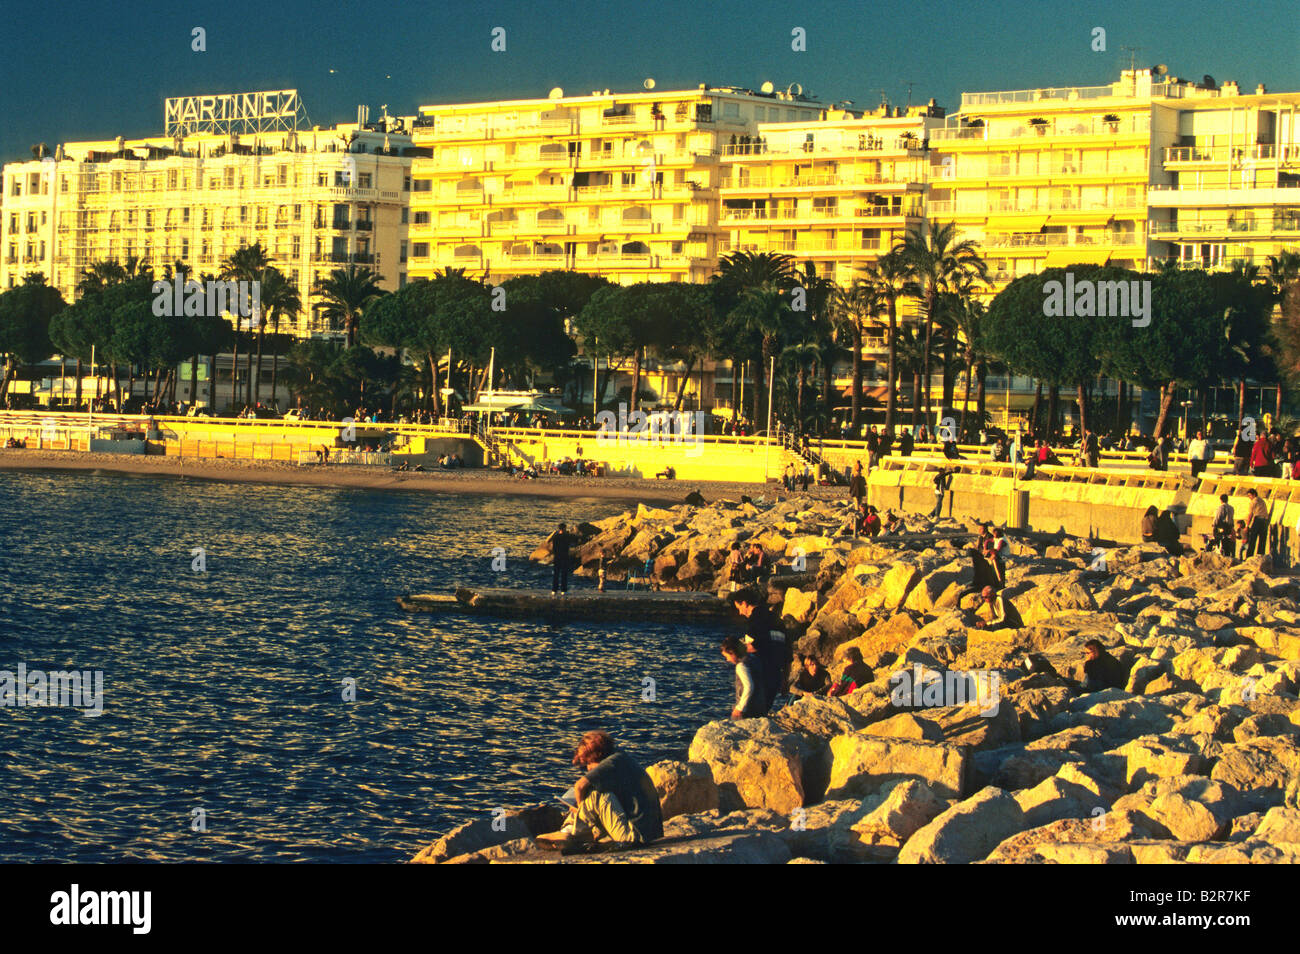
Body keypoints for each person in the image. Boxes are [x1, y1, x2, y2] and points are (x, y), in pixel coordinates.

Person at [545, 731, 662, 849]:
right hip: (645, 834)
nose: (588, 768)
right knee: (597, 793)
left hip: (634, 837)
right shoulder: (621, 758)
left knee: (597, 795)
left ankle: (570, 832)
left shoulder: (612, 762)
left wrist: (579, 809)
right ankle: (572, 831)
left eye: (589, 763)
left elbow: (579, 786)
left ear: (597, 756)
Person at [730, 588, 787, 709]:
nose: (740, 613)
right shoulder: (776, 618)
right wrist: (785, 679)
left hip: (761, 674)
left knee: (751, 714)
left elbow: (759, 644)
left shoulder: (756, 620)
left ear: (744, 603)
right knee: (764, 711)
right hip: (776, 676)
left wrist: (735, 652)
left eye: (739, 608)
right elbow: (787, 653)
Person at [722, 635, 766, 719]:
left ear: (732, 652)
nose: (727, 660)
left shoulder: (741, 666)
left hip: (747, 710)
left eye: (727, 656)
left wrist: (740, 708)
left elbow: (749, 686)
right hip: (760, 706)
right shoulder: (754, 659)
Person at [549, 522, 575, 596]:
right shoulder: (566, 536)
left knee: (556, 574)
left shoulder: (556, 537)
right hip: (564, 557)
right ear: (564, 528)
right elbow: (572, 542)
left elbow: (554, 548)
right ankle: (564, 590)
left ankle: (554, 590)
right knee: (564, 574)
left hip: (557, 557)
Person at [1245, 489, 1269, 557]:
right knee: (1262, 540)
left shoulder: (1253, 501)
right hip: (1264, 521)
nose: (1249, 497)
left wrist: (1247, 525)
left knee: (1252, 539)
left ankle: (1249, 557)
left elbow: (1250, 514)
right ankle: (1260, 556)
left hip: (1258, 520)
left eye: (1249, 495)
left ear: (1254, 494)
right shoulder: (1262, 500)